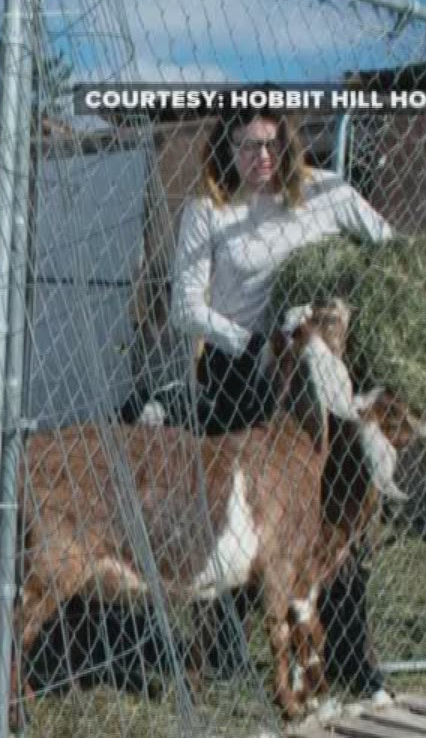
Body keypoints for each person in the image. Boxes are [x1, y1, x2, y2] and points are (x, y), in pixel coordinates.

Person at [167, 102, 393, 695]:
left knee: (333, 512)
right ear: (226, 149)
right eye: (246, 145)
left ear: (289, 144)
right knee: (237, 518)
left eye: (270, 143)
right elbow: (184, 305)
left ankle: (347, 652)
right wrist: (250, 342)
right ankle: (219, 653)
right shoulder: (209, 212)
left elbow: (391, 253)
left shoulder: (328, 194)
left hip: (319, 376)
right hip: (241, 370)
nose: (260, 157)